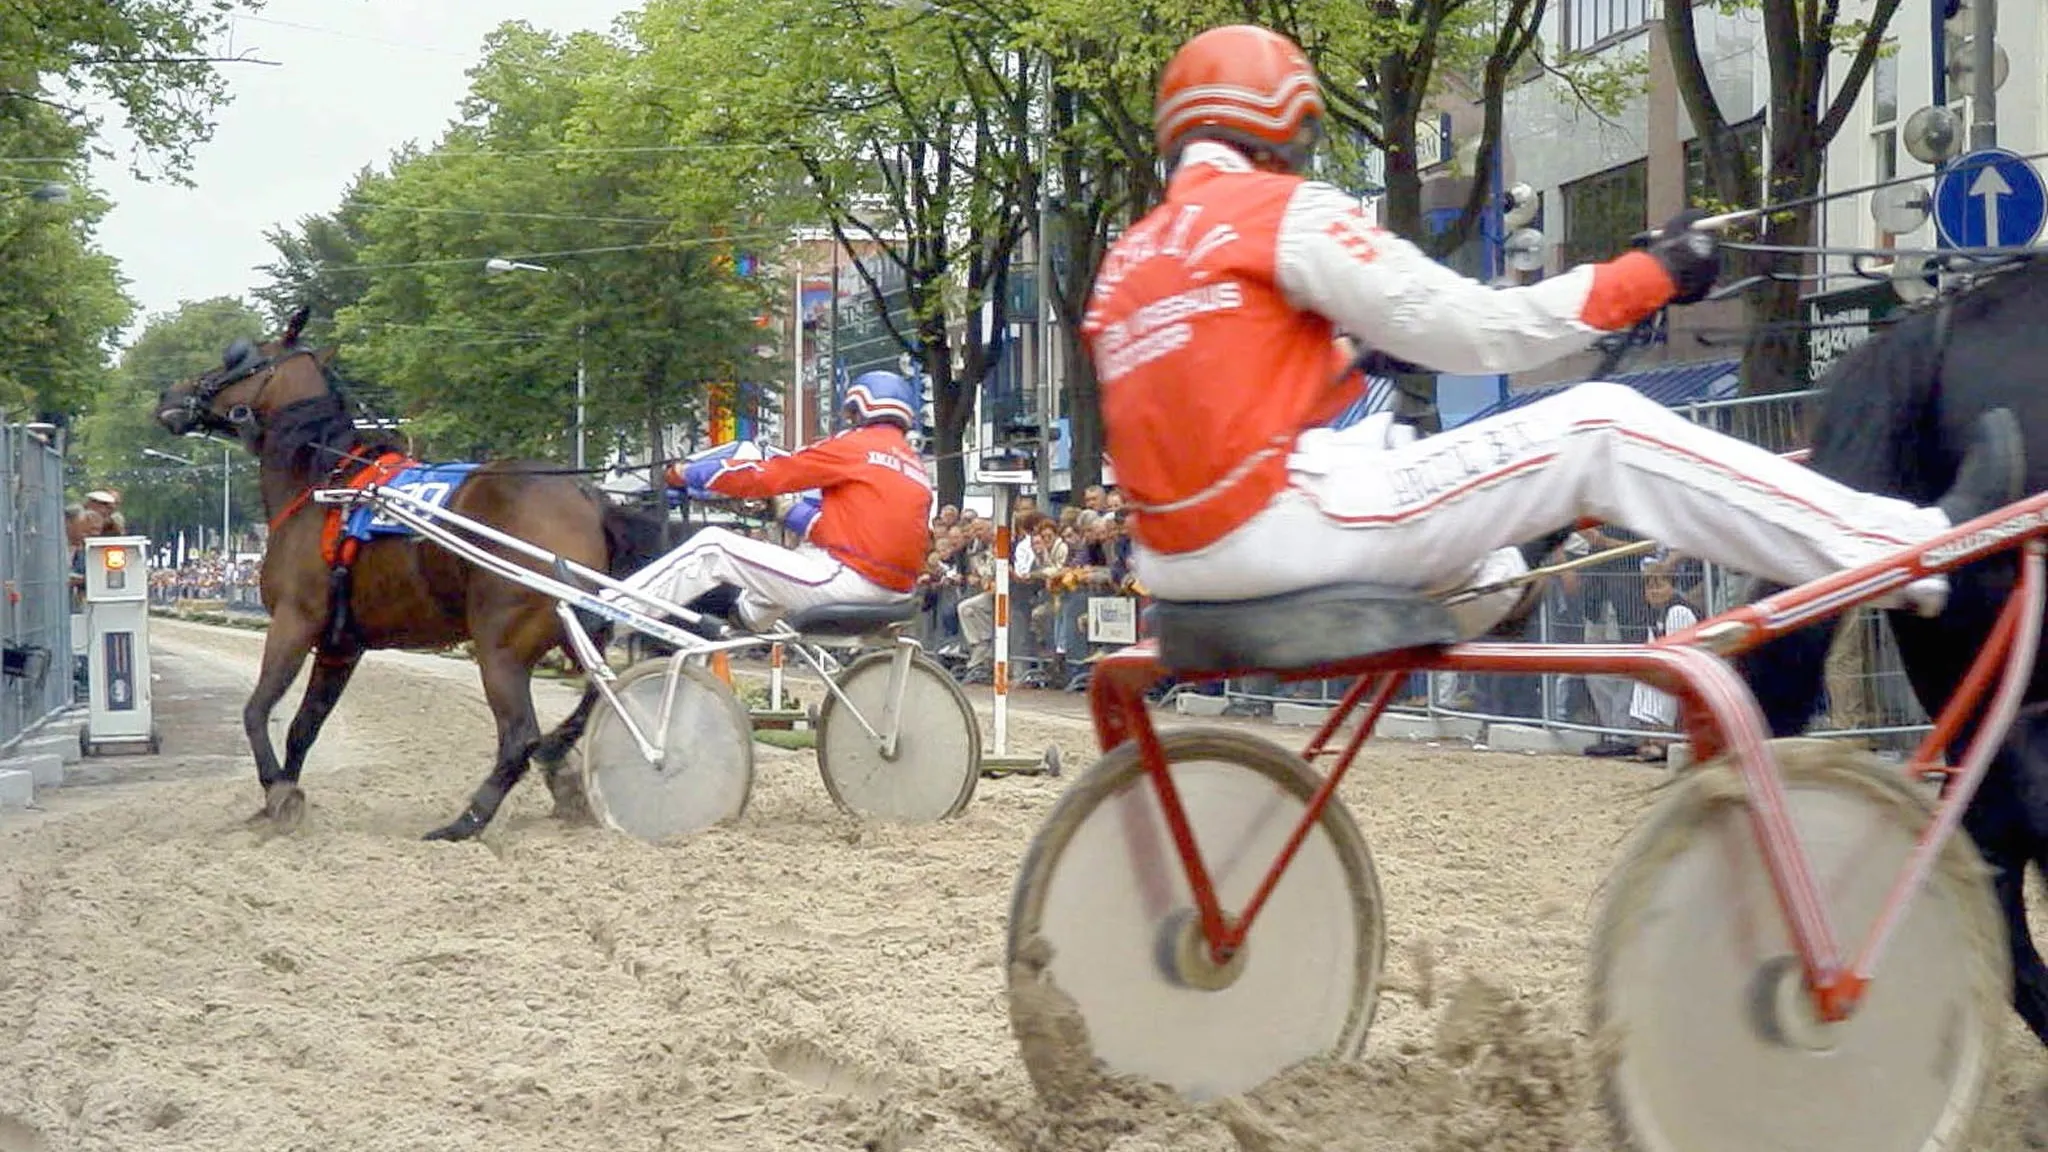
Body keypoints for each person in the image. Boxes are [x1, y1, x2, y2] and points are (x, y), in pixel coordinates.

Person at [1082, 23, 2025, 637]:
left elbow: (1208, 395)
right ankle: (1909, 548)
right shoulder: (1276, 210)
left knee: (1401, 448)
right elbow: (1475, 331)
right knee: (1601, 424)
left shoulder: (1129, 261)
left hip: (1178, 560)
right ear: (1281, 124)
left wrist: (1338, 349)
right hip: (1284, 529)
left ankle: (1494, 579)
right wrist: (1644, 277)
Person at [607, 370, 935, 635]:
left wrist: (686, 473)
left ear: (862, 408)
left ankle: (607, 614)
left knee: (712, 547)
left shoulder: (854, 445)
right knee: (787, 562)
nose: (847, 420)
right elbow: (849, 533)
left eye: (850, 413)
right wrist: (788, 511)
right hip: (895, 592)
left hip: (851, 582)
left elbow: (765, 475)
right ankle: (735, 623)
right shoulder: (915, 467)